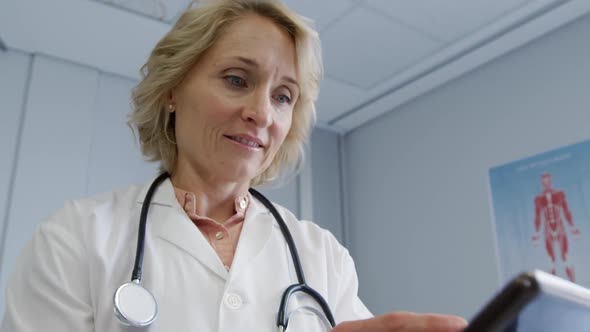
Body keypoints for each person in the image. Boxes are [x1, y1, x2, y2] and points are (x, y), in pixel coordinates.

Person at [0, 0, 467, 331]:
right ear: (172, 90)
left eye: (283, 96)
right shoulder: (78, 238)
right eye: (237, 79)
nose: (262, 113)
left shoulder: (322, 257)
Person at [532, 172, 580, 282]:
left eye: (548, 181)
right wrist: (536, 233)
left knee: (566, 258)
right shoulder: (539, 198)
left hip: (560, 228)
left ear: (551, 181)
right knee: (550, 262)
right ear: (542, 183)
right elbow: (537, 216)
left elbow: (566, 211)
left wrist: (572, 227)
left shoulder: (559, 194)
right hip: (548, 229)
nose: (546, 184)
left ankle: (574, 286)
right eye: (544, 182)